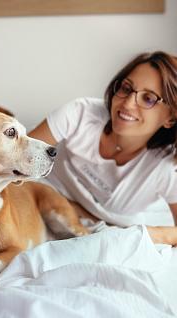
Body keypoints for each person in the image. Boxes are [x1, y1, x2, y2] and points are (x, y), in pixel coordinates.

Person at [29, 51, 177, 246]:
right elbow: (18, 158)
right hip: (35, 200)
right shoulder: (80, 114)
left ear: (171, 117)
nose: (127, 103)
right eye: (126, 88)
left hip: (102, 232)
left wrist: (137, 235)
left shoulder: (166, 169)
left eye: (148, 98)